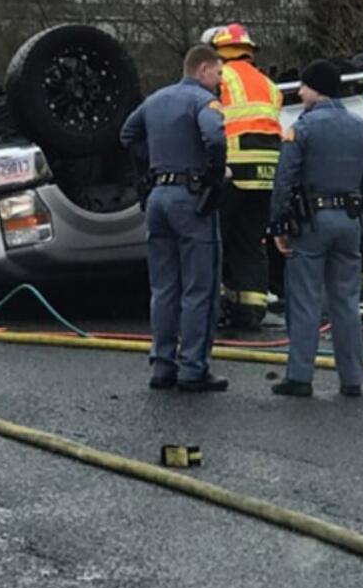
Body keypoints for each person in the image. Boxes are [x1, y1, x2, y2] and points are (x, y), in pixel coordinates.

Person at [120, 44, 229, 392]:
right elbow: (214, 135)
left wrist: (155, 161)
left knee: (164, 288)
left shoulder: (156, 100)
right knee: (201, 287)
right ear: (202, 70)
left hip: (158, 198)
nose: (220, 81)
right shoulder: (202, 101)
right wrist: (213, 175)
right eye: (218, 73)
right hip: (191, 199)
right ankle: (193, 368)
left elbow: (127, 134)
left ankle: (162, 366)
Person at [267, 59, 363, 398]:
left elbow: (285, 179)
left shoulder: (303, 128)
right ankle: (352, 379)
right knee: (346, 301)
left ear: (317, 88)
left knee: (305, 300)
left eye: (304, 86)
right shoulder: (362, 128)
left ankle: (300, 377)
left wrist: (278, 224)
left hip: (311, 223)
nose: (299, 91)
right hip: (349, 222)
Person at [202, 23, 282, 330]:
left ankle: (216, 305)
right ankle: (250, 311)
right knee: (251, 242)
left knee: (215, 238)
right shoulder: (268, 84)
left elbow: (207, 120)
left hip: (232, 170)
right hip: (266, 175)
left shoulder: (221, 79)